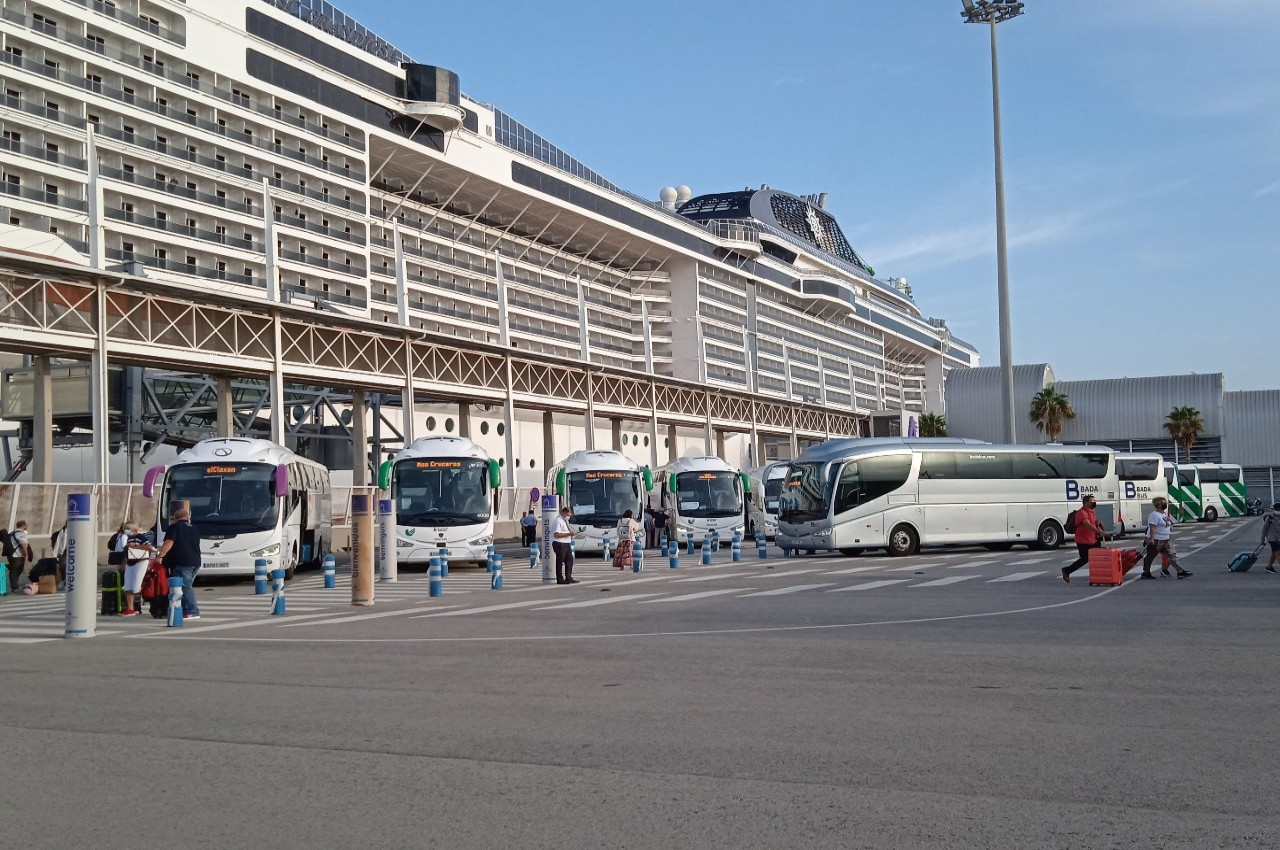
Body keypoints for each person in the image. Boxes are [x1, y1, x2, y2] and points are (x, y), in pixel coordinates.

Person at [157, 507, 202, 619]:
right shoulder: (195, 528)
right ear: (187, 517)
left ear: (175, 518)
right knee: (184, 587)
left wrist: (160, 556)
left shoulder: (174, 527)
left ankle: (193, 611)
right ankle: (183, 610)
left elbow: (169, 542)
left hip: (182, 562)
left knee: (185, 587)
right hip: (195, 561)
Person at [1142, 496, 1191, 579]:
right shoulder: (1154, 515)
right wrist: (1151, 539)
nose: (1165, 504)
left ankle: (1180, 572)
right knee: (1150, 557)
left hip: (1165, 539)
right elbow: (1152, 527)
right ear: (1158, 505)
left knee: (1172, 555)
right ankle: (1146, 573)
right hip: (1157, 539)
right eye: (1163, 503)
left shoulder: (1164, 514)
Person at [1061, 495, 1108, 583]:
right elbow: (1087, 524)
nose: (1094, 503)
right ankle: (1067, 570)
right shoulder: (1081, 513)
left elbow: (1093, 523)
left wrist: (1099, 525)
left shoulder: (1091, 512)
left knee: (1097, 558)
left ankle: (1098, 577)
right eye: (1092, 501)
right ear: (1086, 502)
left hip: (1093, 540)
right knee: (1084, 559)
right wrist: (1100, 531)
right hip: (1083, 541)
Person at [120, 523, 156, 617]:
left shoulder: (141, 537)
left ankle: (150, 601)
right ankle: (130, 608)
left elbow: (149, 547)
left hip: (140, 561)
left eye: (128, 529)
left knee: (137, 585)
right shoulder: (128, 538)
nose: (126, 531)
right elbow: (126, 551)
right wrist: (124, 563)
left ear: (134, 530)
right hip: (130, 562)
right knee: (128, 586)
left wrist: (135, 546)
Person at [551, 505, 578, 584]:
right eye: (569, 515)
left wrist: (571, 534)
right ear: (565, 513)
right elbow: (557, 534)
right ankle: (560, 579)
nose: (569, 517)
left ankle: (568, 577)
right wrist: (569, 534)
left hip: (566, 543)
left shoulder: (563, 521)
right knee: (560, 561)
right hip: (559, 543)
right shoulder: (558, 521)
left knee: (569, 560)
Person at [6, 520, 32, 589]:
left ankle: (14, 585)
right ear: (23, 526)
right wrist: (26, 554)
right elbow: (23, 545)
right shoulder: (21, 534)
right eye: (26, 526)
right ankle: (14, 586)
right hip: (18, 555)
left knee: (14, 570)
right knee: (17, 570)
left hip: (10, 555)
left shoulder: (11, 533)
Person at [1262, 502, 1280, 573]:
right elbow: (1264, 529)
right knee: (1278, 552)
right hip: (1272, 538)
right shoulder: (1269, 518)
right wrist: (1262, 539)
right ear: (1274, 509)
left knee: (1274, 553)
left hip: (1279, 539)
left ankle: (1269, 567)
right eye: (1277, 509)